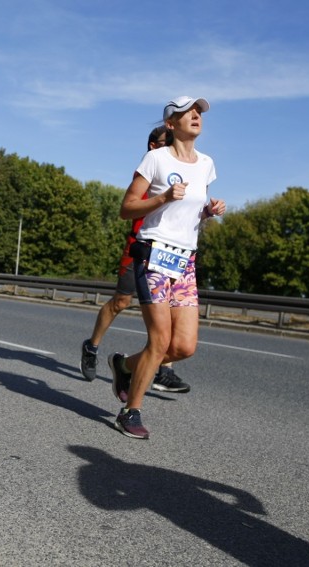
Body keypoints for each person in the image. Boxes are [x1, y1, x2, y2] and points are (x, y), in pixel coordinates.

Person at [110, 96, 225, 439]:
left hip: (185, 260)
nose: (195, 116)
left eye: (199, 112)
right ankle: (131, 410)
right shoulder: (156, 159)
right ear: (171, 124)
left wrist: (207, 212)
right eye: (187, 112)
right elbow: (127, 207)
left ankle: (124, 365)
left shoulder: (207, 164)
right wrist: (162, 198)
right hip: (153, 254)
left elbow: (187, 213)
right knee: (159, 341)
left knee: (183, 347)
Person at [80, 127, 190, 395]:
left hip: (170, 253)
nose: (171, 147)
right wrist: (163, 197)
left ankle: (165, 371)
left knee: (169, 312)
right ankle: (91, 347)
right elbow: (128, 209)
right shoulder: (149, 170)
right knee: (121, 301)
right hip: (139, 247)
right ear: (154, 145)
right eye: (166, 143)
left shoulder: (181, 170)